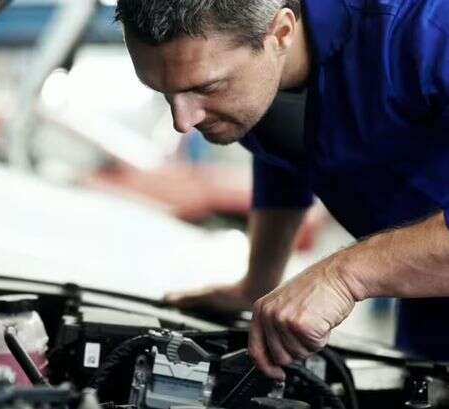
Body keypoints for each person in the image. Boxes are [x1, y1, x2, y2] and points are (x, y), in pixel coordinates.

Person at [114, 0, 449, 380]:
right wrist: (257, 283)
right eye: (164, 92)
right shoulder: (256, 78)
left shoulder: (426, 31)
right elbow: (285, 153)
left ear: (281, 32)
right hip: (427, 299)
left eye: (206, 88)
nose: (183, 120)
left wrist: (342, 277)